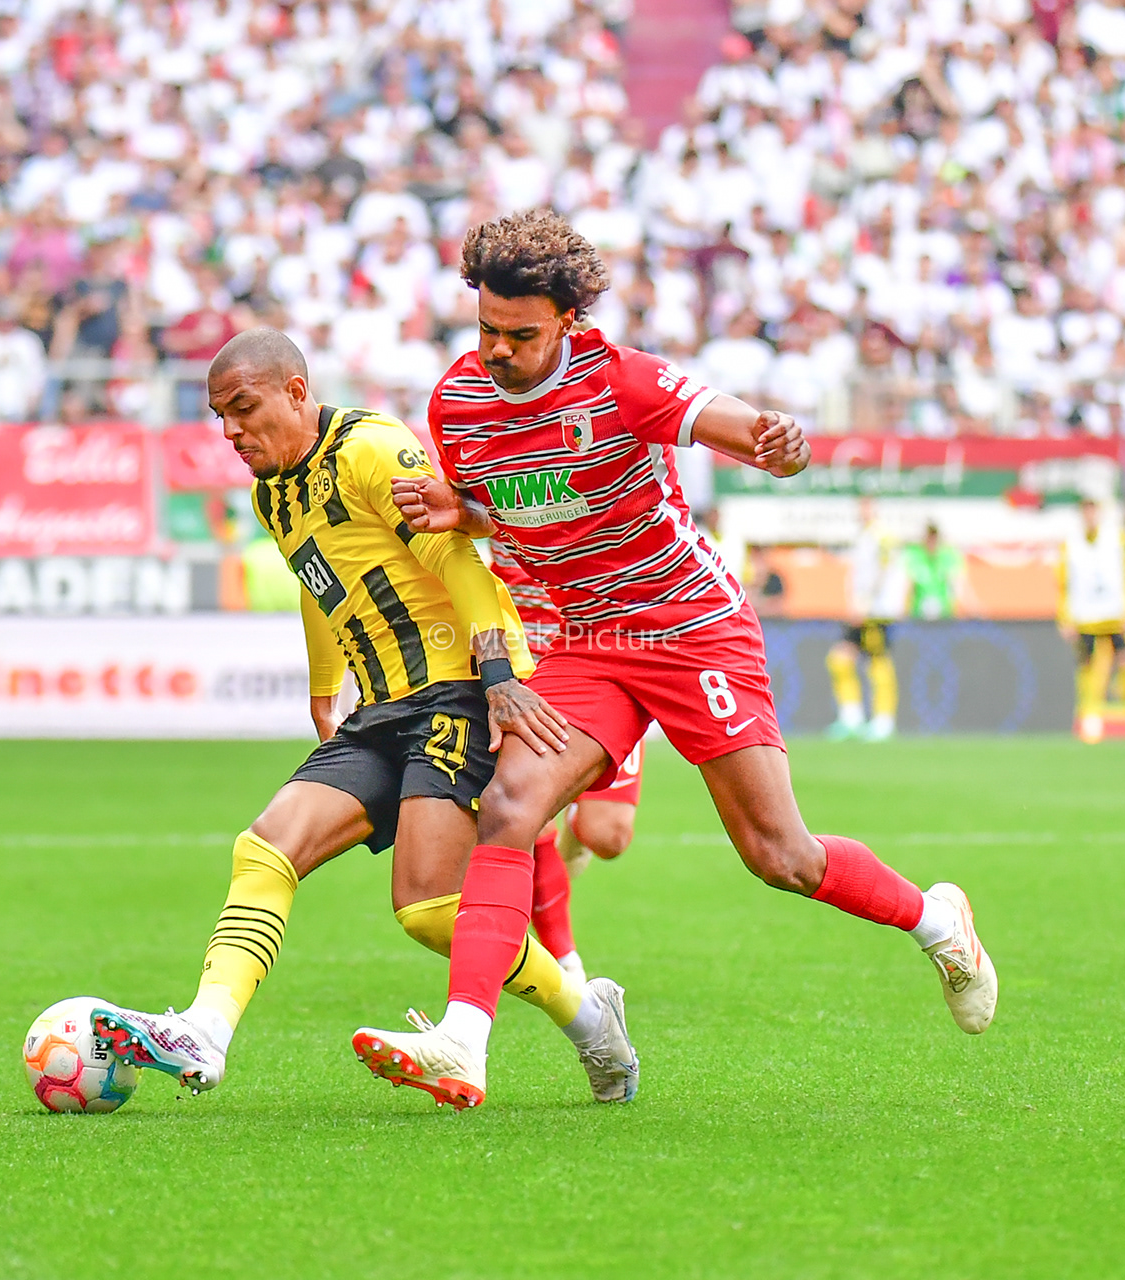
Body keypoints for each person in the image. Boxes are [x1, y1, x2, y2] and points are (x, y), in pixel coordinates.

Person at [355, 209, 997, 1110]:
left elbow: (735, 426)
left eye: (521, 335)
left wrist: (776, 442)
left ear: (567, 320)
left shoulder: (621, 380)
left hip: (690, 629)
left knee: (779, 854)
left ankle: (936, 921)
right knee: (511, 806)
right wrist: (459, 512)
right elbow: (504, 503)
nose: (498, 350)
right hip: (585, 642)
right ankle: (463, 1042)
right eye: (487, 329)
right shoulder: (456, 401)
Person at [83, 329, 640, 1105]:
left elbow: (458, 560)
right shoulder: (272, 492)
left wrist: (497, 676)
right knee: (267, 847)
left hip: (458, 689)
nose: (231, 431)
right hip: (380, 707)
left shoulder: (372, 448)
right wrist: (325, 685)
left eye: (244, 408)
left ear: (297, 393)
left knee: (428, 909)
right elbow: (319, 579)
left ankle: (587, 1017)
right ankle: (205, 1030)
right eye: (219, 417)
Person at [488, 536, 647, 985]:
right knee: (529, 816)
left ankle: (574, 833)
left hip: (604, 665)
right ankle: (565, 960)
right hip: (525, 674)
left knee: (609, 836)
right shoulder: (492, 494)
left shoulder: (604, 498)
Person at [826, 500, 906, 741]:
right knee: (840, 659)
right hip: (863, 609)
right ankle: (852, 717)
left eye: (867, 507)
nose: (862, 512)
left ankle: (884, 721)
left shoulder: (882, 536)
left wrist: (866, 602)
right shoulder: (863, 536)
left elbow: (884, 570)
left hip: (876, 611)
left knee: (877, 662)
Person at [1057, 495, 1125, 744]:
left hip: (1113, 612)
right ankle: (1090, 715)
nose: (1089, 515)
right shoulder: (1070, 543)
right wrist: (1064, 616)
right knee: (1086, 665)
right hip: (1085, 615)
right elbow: (1063, 582)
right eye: (1086, 510)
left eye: (1093, 510)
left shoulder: (1116, 538)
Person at [902, 522, 963, 621]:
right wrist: (905, 611)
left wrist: (955, 613)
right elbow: (909, 585)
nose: (931, 542)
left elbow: (954, 585)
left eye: (934, 539)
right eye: (929, 538)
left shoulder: (947, 556)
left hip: (943, 612)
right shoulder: (915, 556)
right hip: (919, 612)